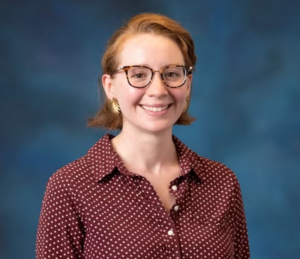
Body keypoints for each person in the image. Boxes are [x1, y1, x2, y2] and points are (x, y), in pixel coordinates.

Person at [36, 13, 250, 259]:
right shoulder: (69, 187)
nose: (158, 90)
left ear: (188, 83)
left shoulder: (222, 183)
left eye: (171, 74)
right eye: (138, 75)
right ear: (110, 87)